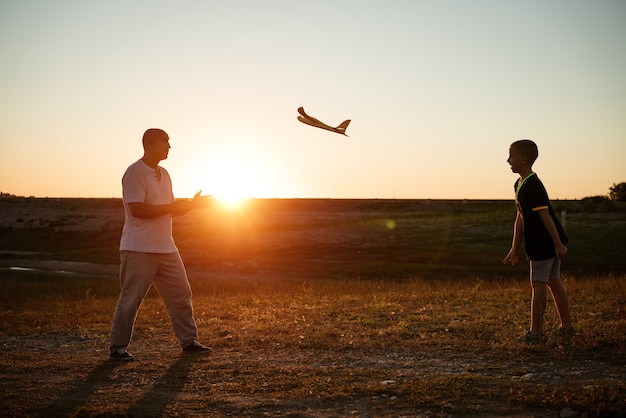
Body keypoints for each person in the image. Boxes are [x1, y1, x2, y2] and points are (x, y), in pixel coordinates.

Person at [109, 128, 211, 361]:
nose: (169, 147)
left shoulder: (164, 173)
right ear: (151, 144)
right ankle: (117, 348)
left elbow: (171, 209)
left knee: (181, 294)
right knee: (130, 299)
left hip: (166, 247)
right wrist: (174, 208)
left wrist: (193, 205)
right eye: (166, 142)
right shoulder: (134, 173)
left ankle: (189, 342)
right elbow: (138, 210)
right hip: (138, 248)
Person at [502, 139, 574, 343]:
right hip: (542, 243)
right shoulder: (519, 184)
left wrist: (558, 243)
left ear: (523, 159)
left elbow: (546, 216)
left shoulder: (533, 185)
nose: (508, 160)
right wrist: (514, 248)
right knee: (552, 281)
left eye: (512, 156)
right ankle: (566, 327)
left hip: (544, 243)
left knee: (538, 283)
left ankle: (535, 332)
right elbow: (520, 217)